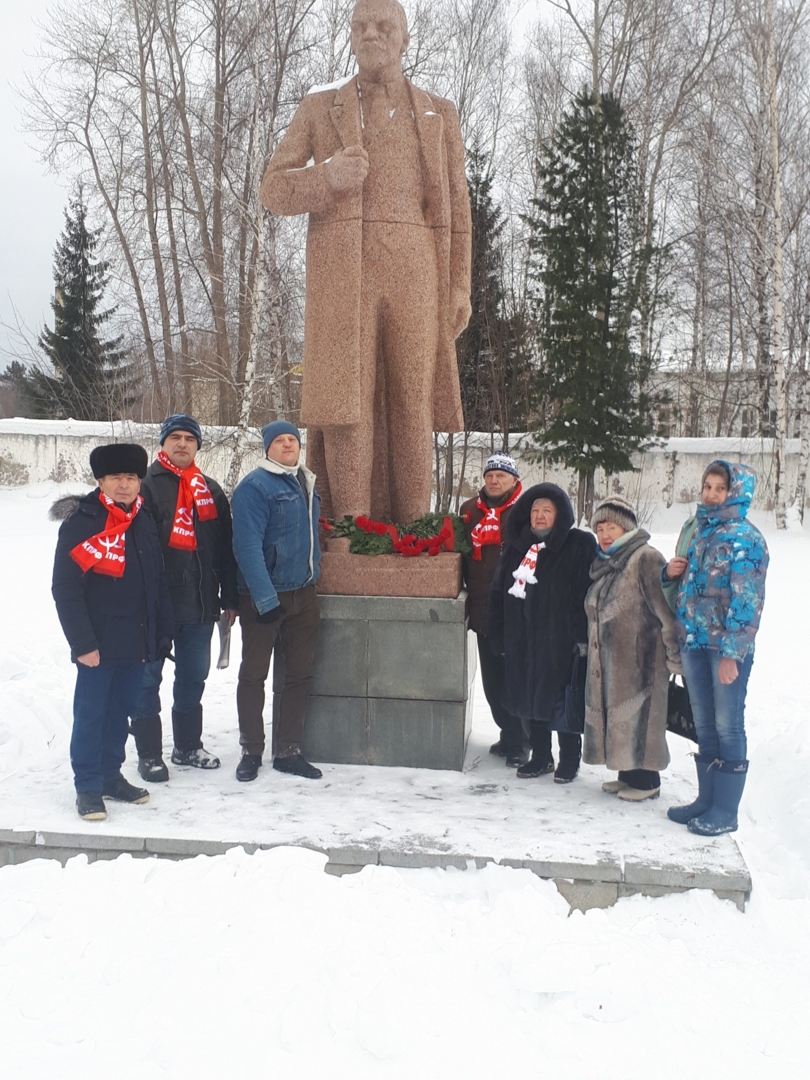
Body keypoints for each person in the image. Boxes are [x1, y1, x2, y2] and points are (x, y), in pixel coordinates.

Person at [260, 0, 472, 523]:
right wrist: (325, 176)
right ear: (350, 39)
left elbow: (460, 211)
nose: (370, 34)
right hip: (344, 274)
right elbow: (272, 189)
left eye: (383, 26)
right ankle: (354, 531)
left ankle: (413, 530)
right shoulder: (321, 109)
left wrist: (459, 286)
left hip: (417, 269)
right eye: (360, 27)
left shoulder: (438, 114)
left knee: (412, 404)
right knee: (347, 405)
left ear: (404, 39)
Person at [51, 443, 172, 821]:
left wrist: (160, 633)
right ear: (100, 480)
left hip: (135, 639)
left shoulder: (144, 518)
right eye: (116, 477)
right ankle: (88, 786)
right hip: (98, 644)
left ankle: (110, 776)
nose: (125, 485)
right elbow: (65, 588)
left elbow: (156, 580)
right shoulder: (83, 522)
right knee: (92, 714)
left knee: (121, 713)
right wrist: (82, 643)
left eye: (132, 477)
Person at [129, 415, 239, 782]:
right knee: (147, 679)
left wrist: (230, 597)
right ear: (162, 444)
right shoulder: (143, 487)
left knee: (194, 675)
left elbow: (225, 549)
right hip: (154, 606)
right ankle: (148, 754)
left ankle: (187, 746)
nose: (181, 444)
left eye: (189, 438)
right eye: (174, 437)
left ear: (197, 446)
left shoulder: (210, 489)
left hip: (201, 602)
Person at [664, 461, 769, 835]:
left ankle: (726, 810)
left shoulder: (746, 538)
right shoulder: (702, 532)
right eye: (706, 486)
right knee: (705, 725)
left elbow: (748, 601)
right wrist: (669, 574)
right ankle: (705, 800)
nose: (710, 493)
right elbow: (691, 588)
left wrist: (732, 653)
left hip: (723, 650)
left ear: (735, 492)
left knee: (728, 726)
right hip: (694, 642)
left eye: (719, 488)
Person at [231, 421, 322, 782]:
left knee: (299, 674)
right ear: (267, 448)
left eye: (292, 440)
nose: (287, 445)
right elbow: (247, 547)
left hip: (303, 593)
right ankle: (252, 749)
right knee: (254, 675)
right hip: (264, 597)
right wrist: (265, 598)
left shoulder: (305, 481)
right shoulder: (255, 487)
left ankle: (288, 750)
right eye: (279, 440)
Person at [487, 484, 597, 782]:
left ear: (559, 514)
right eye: (535, 510)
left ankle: (569, 760)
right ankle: (541, 757)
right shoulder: (517, 548)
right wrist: (496, 634)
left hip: (562, 641)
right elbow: (498, 592)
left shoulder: (579, 544)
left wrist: (581, 637)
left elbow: (588, 592)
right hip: (523, 640)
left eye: (546, 510)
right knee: (531, 700)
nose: (539, 516)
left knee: (562, 702)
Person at [583, 496, 682, 801]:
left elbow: (664, 611)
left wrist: (673, 656)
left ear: (626, 528)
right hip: (612, 661)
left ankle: (646, 781)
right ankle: (626, 774)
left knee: (640, 718)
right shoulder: (607, 563)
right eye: (599, 528)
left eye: (611, 526)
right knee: (618, 717)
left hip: (642, 660)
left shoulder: (645, 557)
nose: (604, 534)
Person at [460, 452, 527, 767]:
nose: (494, 480)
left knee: (515, 681)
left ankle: (521, 740)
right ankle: (508, 732)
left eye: (501, 475)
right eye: (490, 475)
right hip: (484, 611)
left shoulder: (526, 512)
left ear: (513, 480)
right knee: (492, 683)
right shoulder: (469, 511)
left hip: (516, 615)